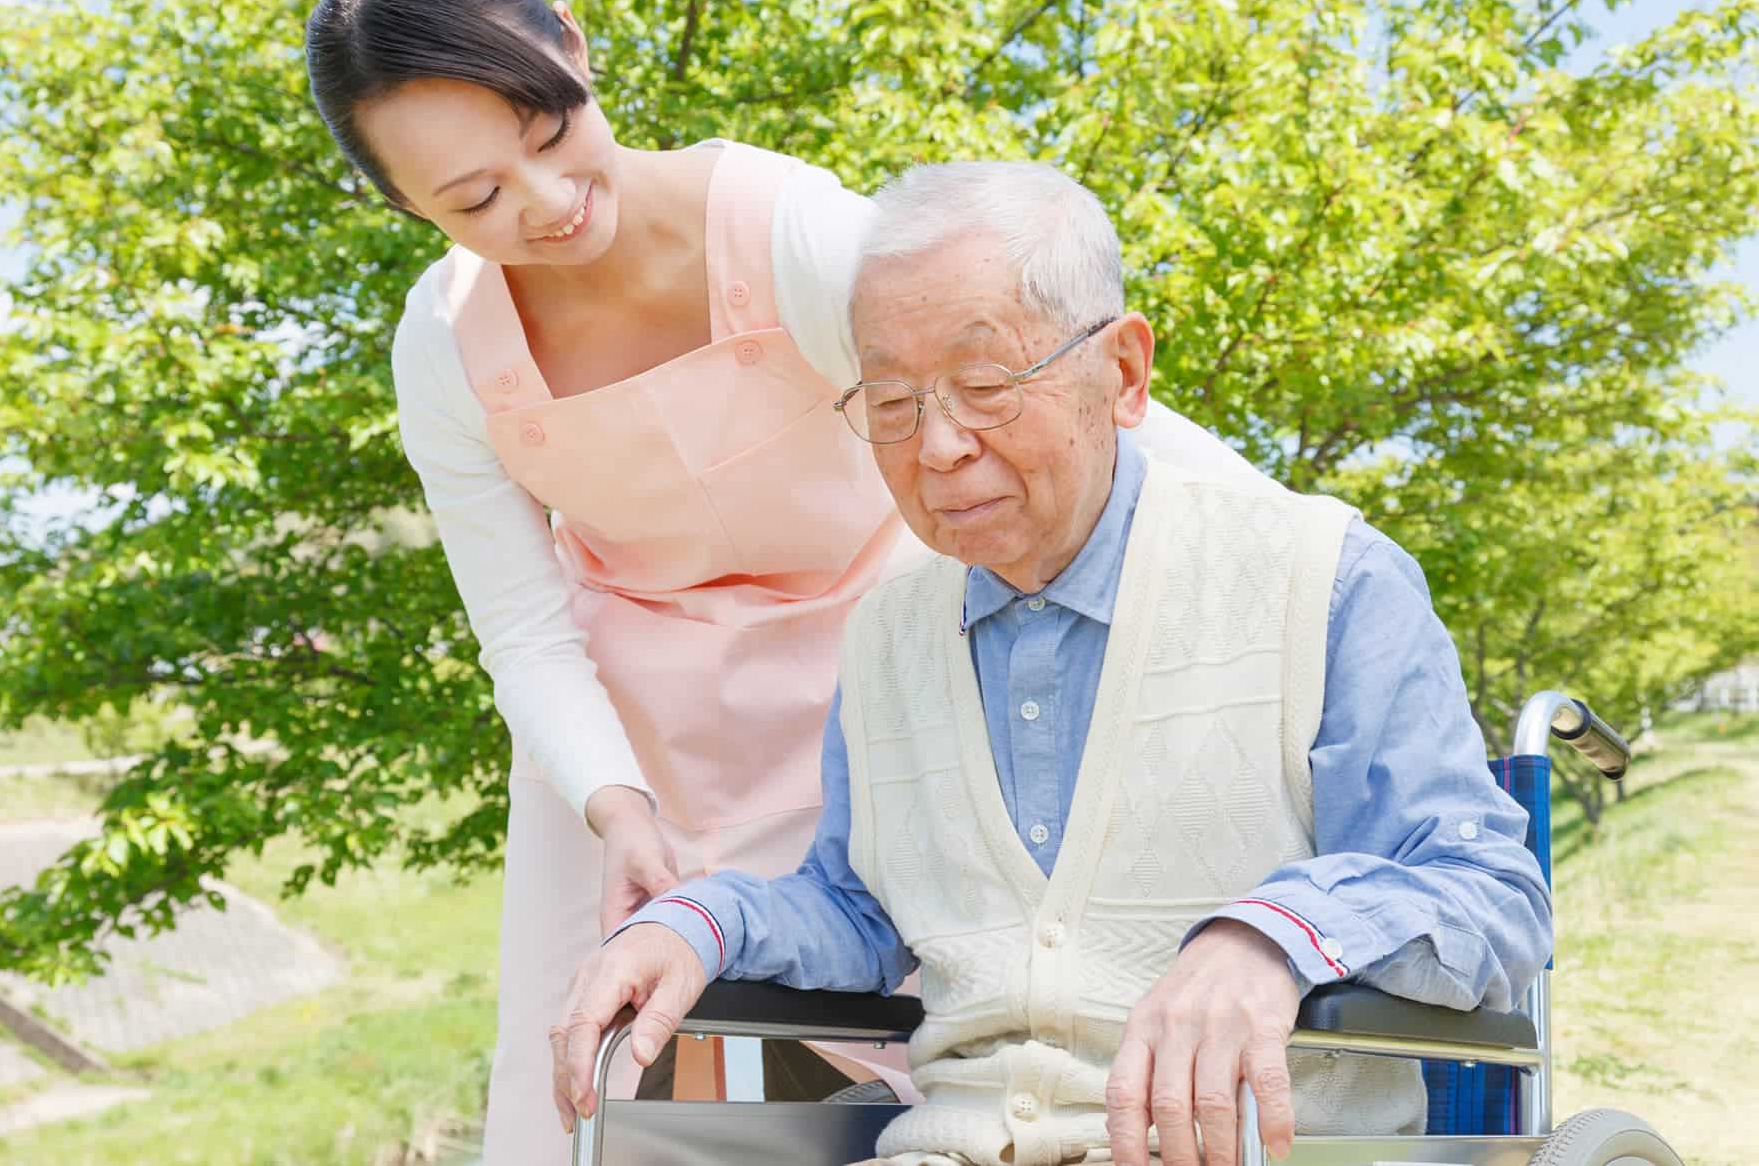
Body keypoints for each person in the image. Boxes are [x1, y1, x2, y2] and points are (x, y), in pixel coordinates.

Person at [305, 0, 1268, 1164]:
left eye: (548, 133)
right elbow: (522, 623)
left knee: (940, 1036)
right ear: (403, 207)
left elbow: (1047, 386)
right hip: (619, 729)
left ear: (573, 47)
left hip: (867, 680)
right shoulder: (443, 344)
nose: (547, 206)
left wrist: (1303, 561)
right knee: (582, 1065)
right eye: (476, 199)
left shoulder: (780, 228)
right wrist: (614, 802)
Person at [555, 162, 1554, 1166]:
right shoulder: (888, 632)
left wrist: (1273, 936)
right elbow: (857, 910)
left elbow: (1487, 888)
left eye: (984, 388)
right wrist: (696, 924)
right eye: (892, 404)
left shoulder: (1328, 579)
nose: (936, 446)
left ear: (1122, 374)